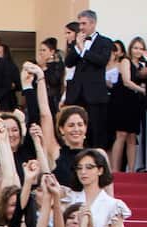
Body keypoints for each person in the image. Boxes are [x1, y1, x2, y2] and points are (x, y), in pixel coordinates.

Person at [65, 10, 114, 149]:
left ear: (93, 23)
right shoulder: (77, 42)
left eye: (84, 23)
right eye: (79, 23)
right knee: (78, 131)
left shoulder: (105, 42)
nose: (81, 27)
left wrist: (84, 50)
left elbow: (101, 61)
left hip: (95, 95)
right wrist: (76, 47)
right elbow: (68, 62)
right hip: (77, 95)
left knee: (96, 132)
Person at [109, 37, 147, 172]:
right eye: (135, 48)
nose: (138, 51)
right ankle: (115, 170)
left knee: (132, 136)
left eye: (141, 48)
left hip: (134, 103)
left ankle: (131, 170)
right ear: (130, 49)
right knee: (121, 135)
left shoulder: (143, 66)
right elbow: (126, 81)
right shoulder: (126, 61)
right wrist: (142, 90)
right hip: (122, 100)